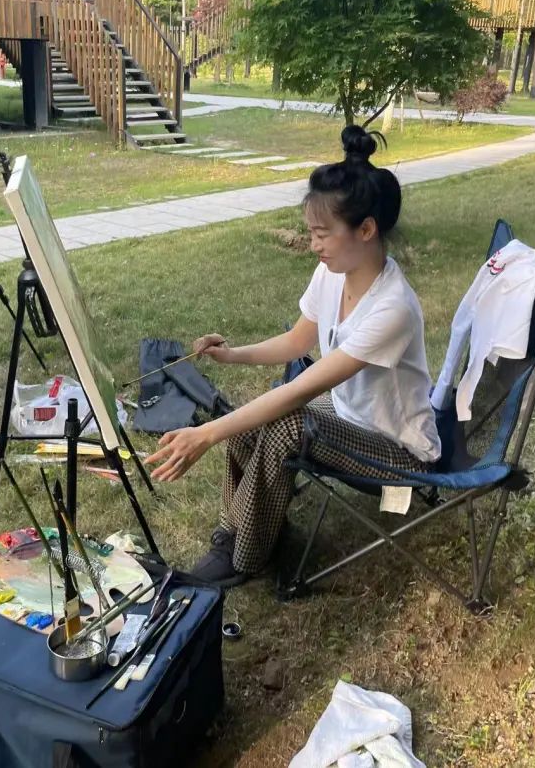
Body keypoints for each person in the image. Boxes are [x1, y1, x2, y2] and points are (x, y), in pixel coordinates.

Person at [144, 125, 442, 587]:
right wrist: (231, 355)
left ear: (366, 229)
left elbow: (301, 389)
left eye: (322, 234)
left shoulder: (393, 308)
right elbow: (297, 343)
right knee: (256, 419)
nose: (313, 244)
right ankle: (239, 534)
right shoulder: (334, 272)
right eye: (310, 233)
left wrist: (206, 435)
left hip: (398, 450)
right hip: (348, 414)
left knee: (285, 422)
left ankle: (244, 557)